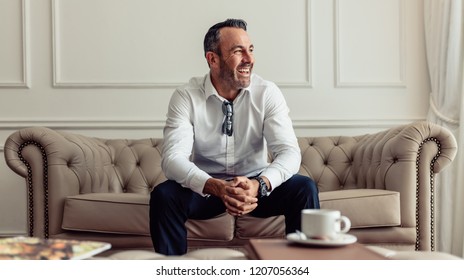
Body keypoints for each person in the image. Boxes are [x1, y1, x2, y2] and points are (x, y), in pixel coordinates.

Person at [149, 18, 320, 255]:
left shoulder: (267, 92)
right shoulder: (186, 96)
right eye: (238, 51)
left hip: (256, 187)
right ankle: (171, 270)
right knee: (164, 195)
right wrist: (216, 187)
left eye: (250, 50)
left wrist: (259, 184)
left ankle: (305, 268)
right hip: (207, 188)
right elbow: (172, 159)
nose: (250, 59)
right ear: (213, 59)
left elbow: (289, 152)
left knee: (305, 188)